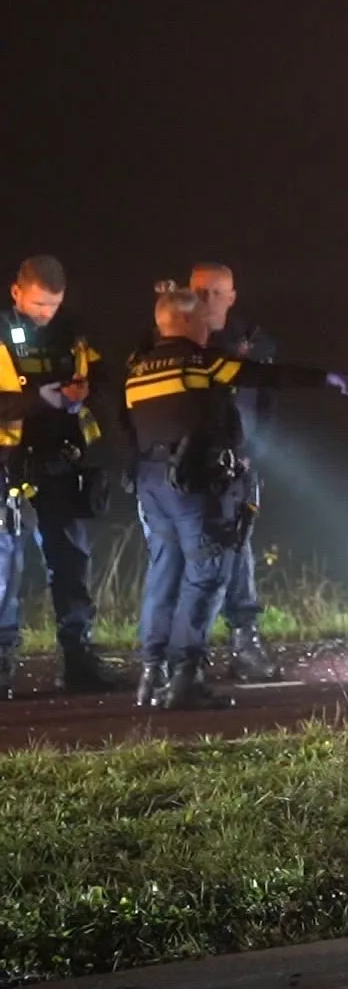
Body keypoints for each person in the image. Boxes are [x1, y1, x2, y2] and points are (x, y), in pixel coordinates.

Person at [126, 286, 348, 708]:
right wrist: (328, 378)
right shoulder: (201, 362)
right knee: (208, 573)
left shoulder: (138, 368)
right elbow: (264, 375)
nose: (207, 329)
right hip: (195, 486)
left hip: (152, 483)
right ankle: (184, 677)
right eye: (200, 321)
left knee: (164, 574)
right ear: (184, 322)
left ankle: (150, 672)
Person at [128, 264, 285, 682]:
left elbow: (265, 404)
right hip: (183, 473)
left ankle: (241, 642)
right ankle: (177, 665)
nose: (207, 300)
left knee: (237, 556)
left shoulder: (252, 341)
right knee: (182, 564)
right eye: (199, 292)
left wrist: (255, 455)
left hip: (237, 464)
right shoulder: (166, 345)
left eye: (216, 293)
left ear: (232, 296)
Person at [0, 255, 118, 695]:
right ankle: (1, 663)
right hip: (8, 465)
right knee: (3, 569)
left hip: (63, 464)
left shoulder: (74, 334)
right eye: (36, 304)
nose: (44, 313)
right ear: (16, 292)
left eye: (52, 304)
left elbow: (104, 380)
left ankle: (79, 660)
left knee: (71, 564)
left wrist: (83, 393)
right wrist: (41, 400)